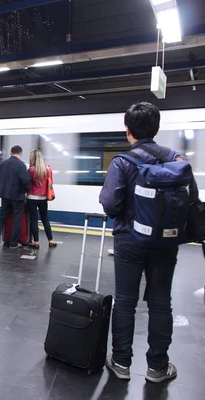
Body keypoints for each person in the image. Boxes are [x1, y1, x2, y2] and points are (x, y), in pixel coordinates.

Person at [99, 102, 198, 383]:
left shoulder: (122, 162)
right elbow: (190, 198)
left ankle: (121, 363)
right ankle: (157, 366)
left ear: (127, 130)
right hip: (166, 243)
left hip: (129, 240)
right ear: (156, 129)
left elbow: (109, 203)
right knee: (160, 301)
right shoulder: (174, 160)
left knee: (126, 302)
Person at [0, 145, 30, 248]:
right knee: (16, 219)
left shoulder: (3, 164)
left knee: (2, 218)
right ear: (20, 153)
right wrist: (26, 190)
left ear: (11, 153)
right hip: (17, 196)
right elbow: (26, 181)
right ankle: (13, 244)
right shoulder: (21, 165)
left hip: (4, 195)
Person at [27, 149, 57, 248]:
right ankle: (51, 240)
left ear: (32, 158)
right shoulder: (48, 169)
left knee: (34, 220)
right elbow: (50, 182)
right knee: (45, 219)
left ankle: (36, 242)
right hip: (43, 198)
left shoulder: (31, 170)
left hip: (32, 198)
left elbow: (27, 184)